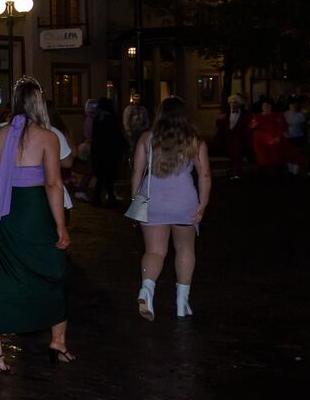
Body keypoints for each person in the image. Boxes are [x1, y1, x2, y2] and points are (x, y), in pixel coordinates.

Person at [0, 78, 73, 371]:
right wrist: (61, 226)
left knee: (4, 278)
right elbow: (53, 184)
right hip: (33, 212)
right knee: (53, 272)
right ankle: (58, 342)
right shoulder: (48, 138)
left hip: (4, 214)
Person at [130, 96, 211, 320]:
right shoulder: (194, 141)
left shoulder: (147, 139)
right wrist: (203, 203)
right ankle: (182, 302)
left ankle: (146, 290)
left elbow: (137, 172)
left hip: (152, 201)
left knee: (154, 251)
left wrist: (136, 201)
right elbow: (204, 175)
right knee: (185, 249)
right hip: (184, 201)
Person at [89, 97, 125, 206]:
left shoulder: (98, 118)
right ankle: (106, 198)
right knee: (108, 177)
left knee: (103, 177)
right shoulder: (110, 118)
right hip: (110, 153)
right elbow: (117, 136)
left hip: (99, 152)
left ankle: (104, 197)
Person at [214, 94, 251, 179]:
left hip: (239, 139)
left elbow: (247, 127)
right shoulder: (226, 113)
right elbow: (220, 127)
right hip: (227, 139)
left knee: (237, 152)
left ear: (239, 104)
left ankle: (237, 173)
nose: (233, 104)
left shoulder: (244, 114)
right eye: (232, 102)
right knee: (232, 154)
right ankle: (233, 172)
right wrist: (219, 120)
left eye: (235, 102)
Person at [250, 97, 288, 172]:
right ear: (262, 107)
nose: (266, 107)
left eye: (268, 106)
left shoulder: (277, 115)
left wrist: (278, 137)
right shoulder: (257, 117)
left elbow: (282, 127)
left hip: (274, 141)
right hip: (261, 142)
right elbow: (251, 126)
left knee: (276, 160)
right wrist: (253, 126)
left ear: (271, 107)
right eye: (264, 106)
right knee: (263, 161)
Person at [285, 97, 310, 175]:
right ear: (289, 106)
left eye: (295, 105)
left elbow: (304, 125)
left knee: (297, 153)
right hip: (288, 136)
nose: (293, 107)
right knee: (288, 153)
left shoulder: (300, 114)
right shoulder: (285, 114)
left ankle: (295, 170)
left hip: (298, 136)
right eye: (292, 105)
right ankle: (290, 169)